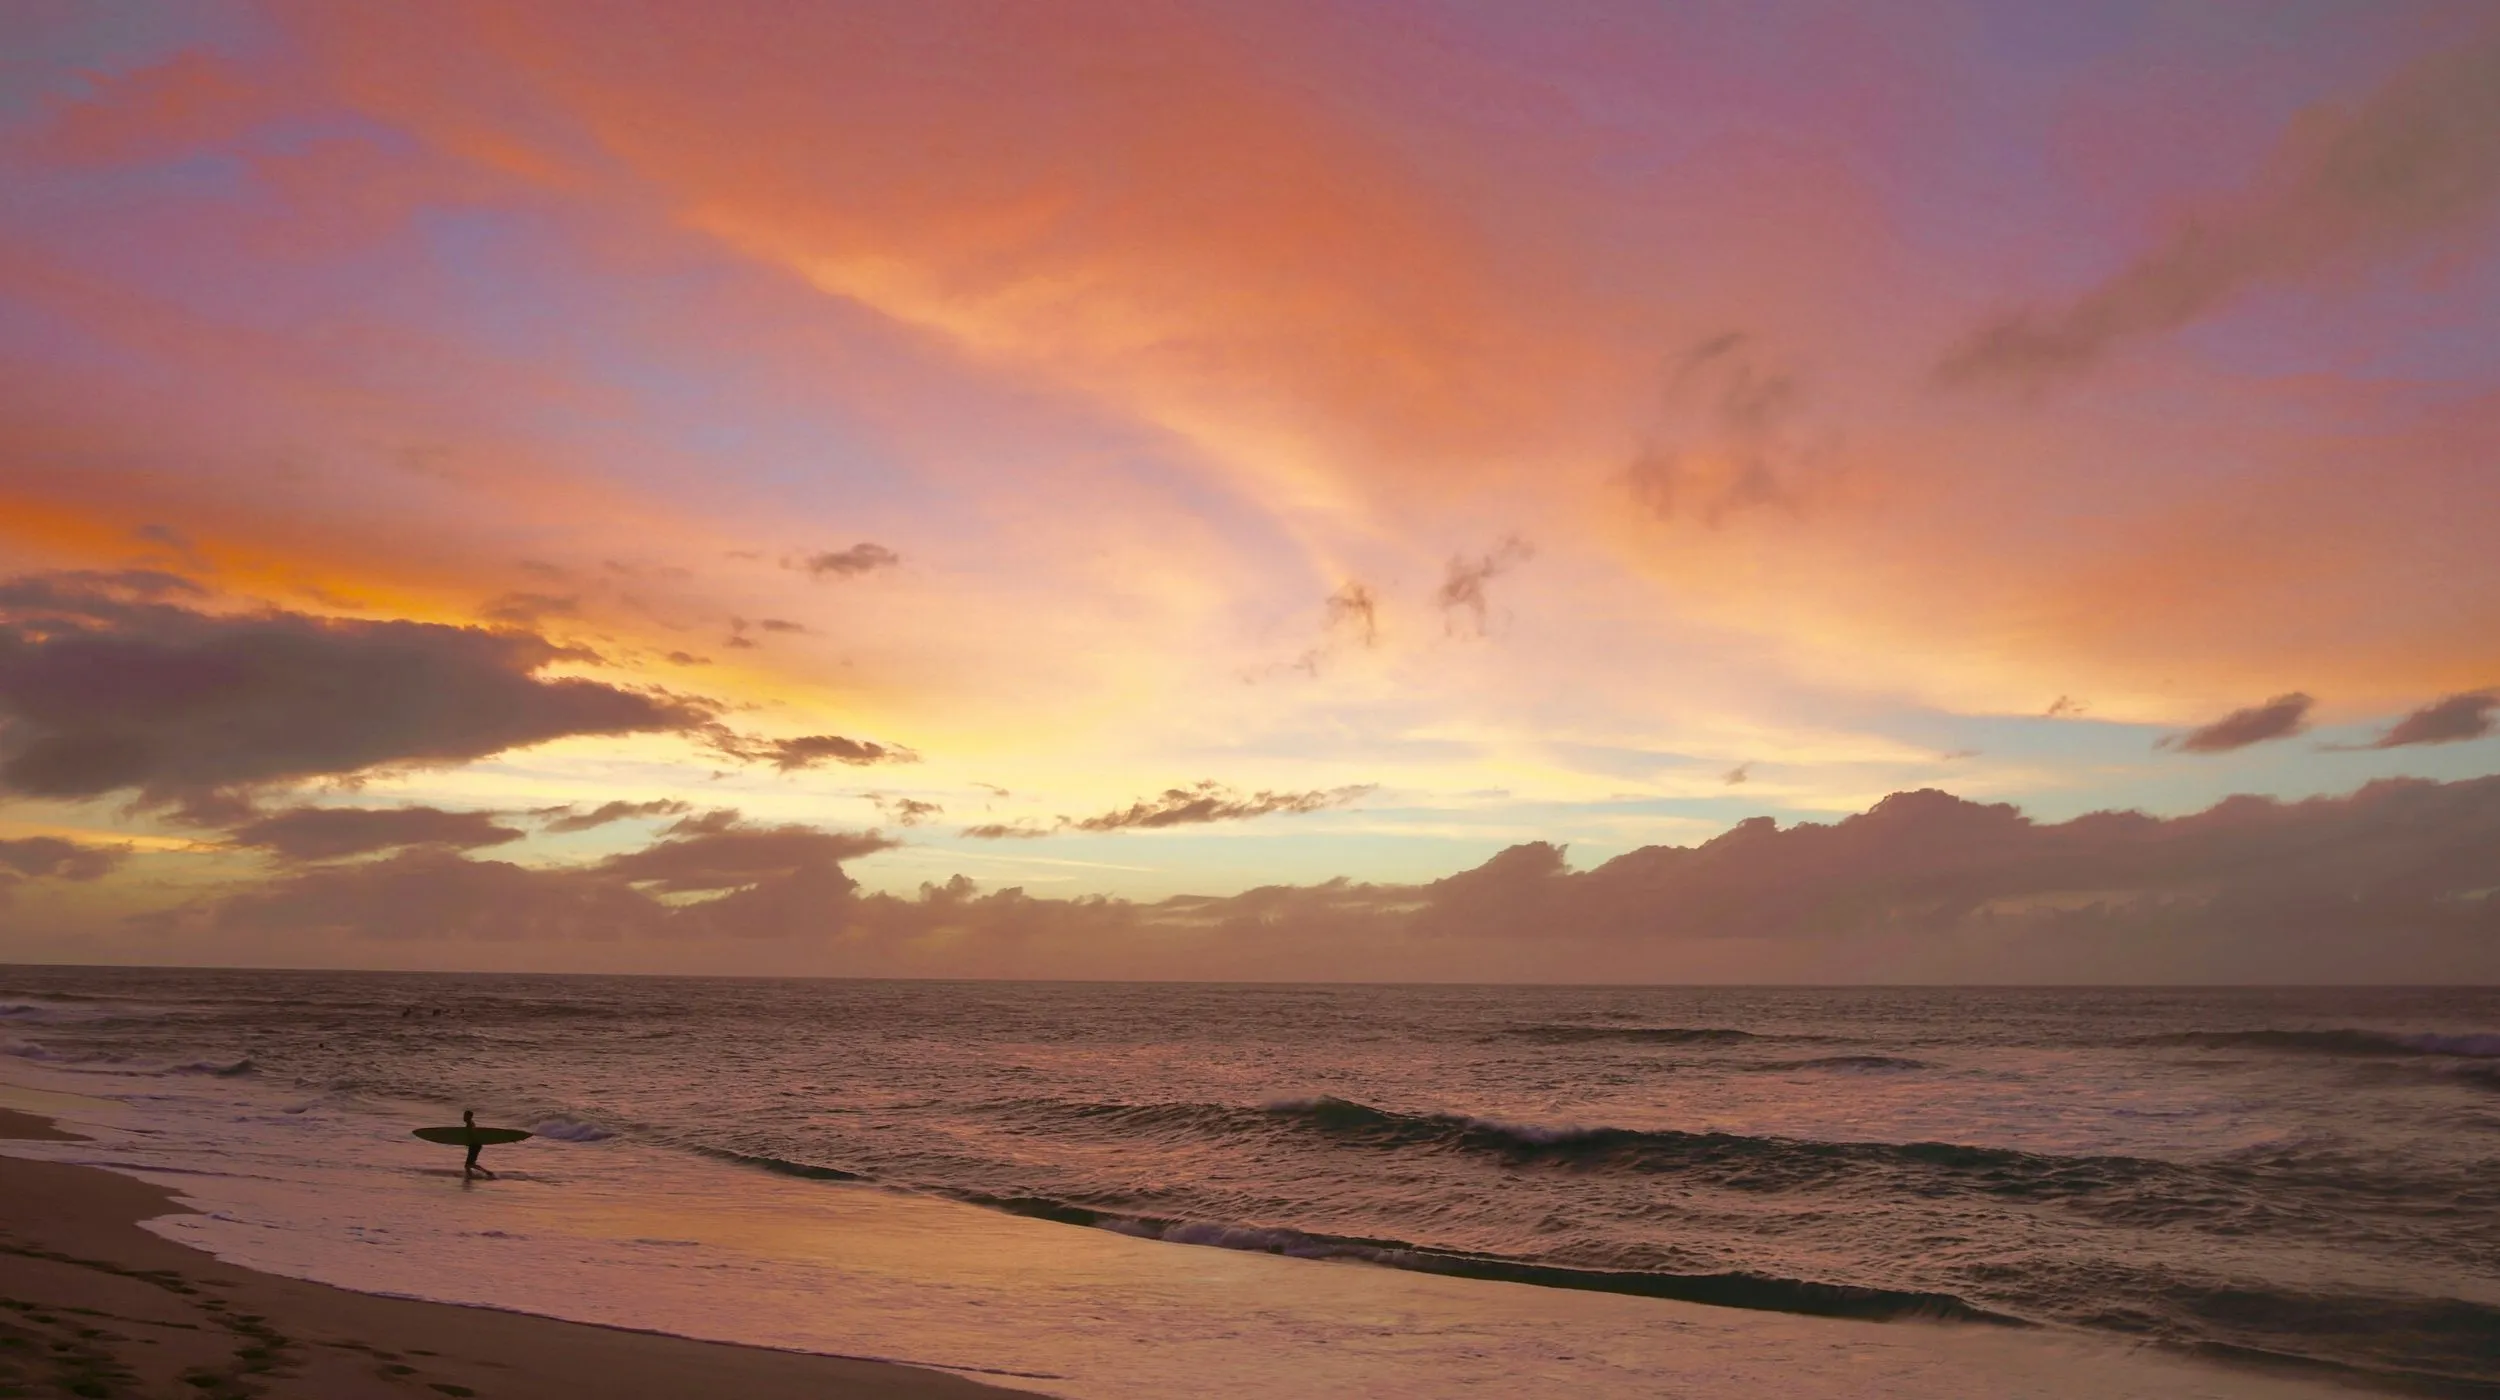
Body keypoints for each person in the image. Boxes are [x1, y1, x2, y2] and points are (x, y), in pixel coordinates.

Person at [461, 1109, 497, 1180]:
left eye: (465, 1116)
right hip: (474, 1145)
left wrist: (469, 1141)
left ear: (469, 1117)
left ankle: (488, 1173)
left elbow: (473, 1134)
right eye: (463, 1115)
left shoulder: (470, 1124)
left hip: (475, 1145)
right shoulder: (470, 1123)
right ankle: (470, 1176)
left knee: (469, 1165)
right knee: (468, 1165)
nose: (463, 1117)